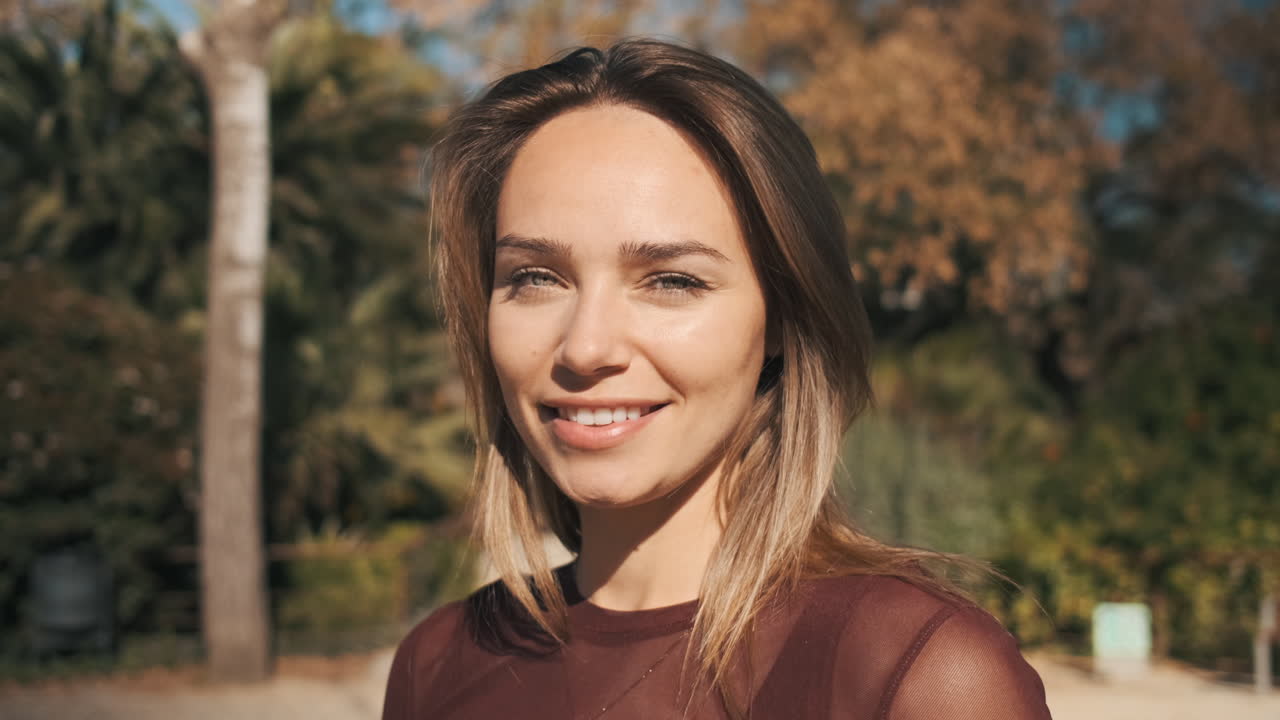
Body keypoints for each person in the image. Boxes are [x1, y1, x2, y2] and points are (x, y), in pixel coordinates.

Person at [383, 38, 1053, 719]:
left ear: (785, 319)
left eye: (671, 281)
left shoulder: (918, 677)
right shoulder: (437, 665)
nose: (585, 347)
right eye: (535, 277)